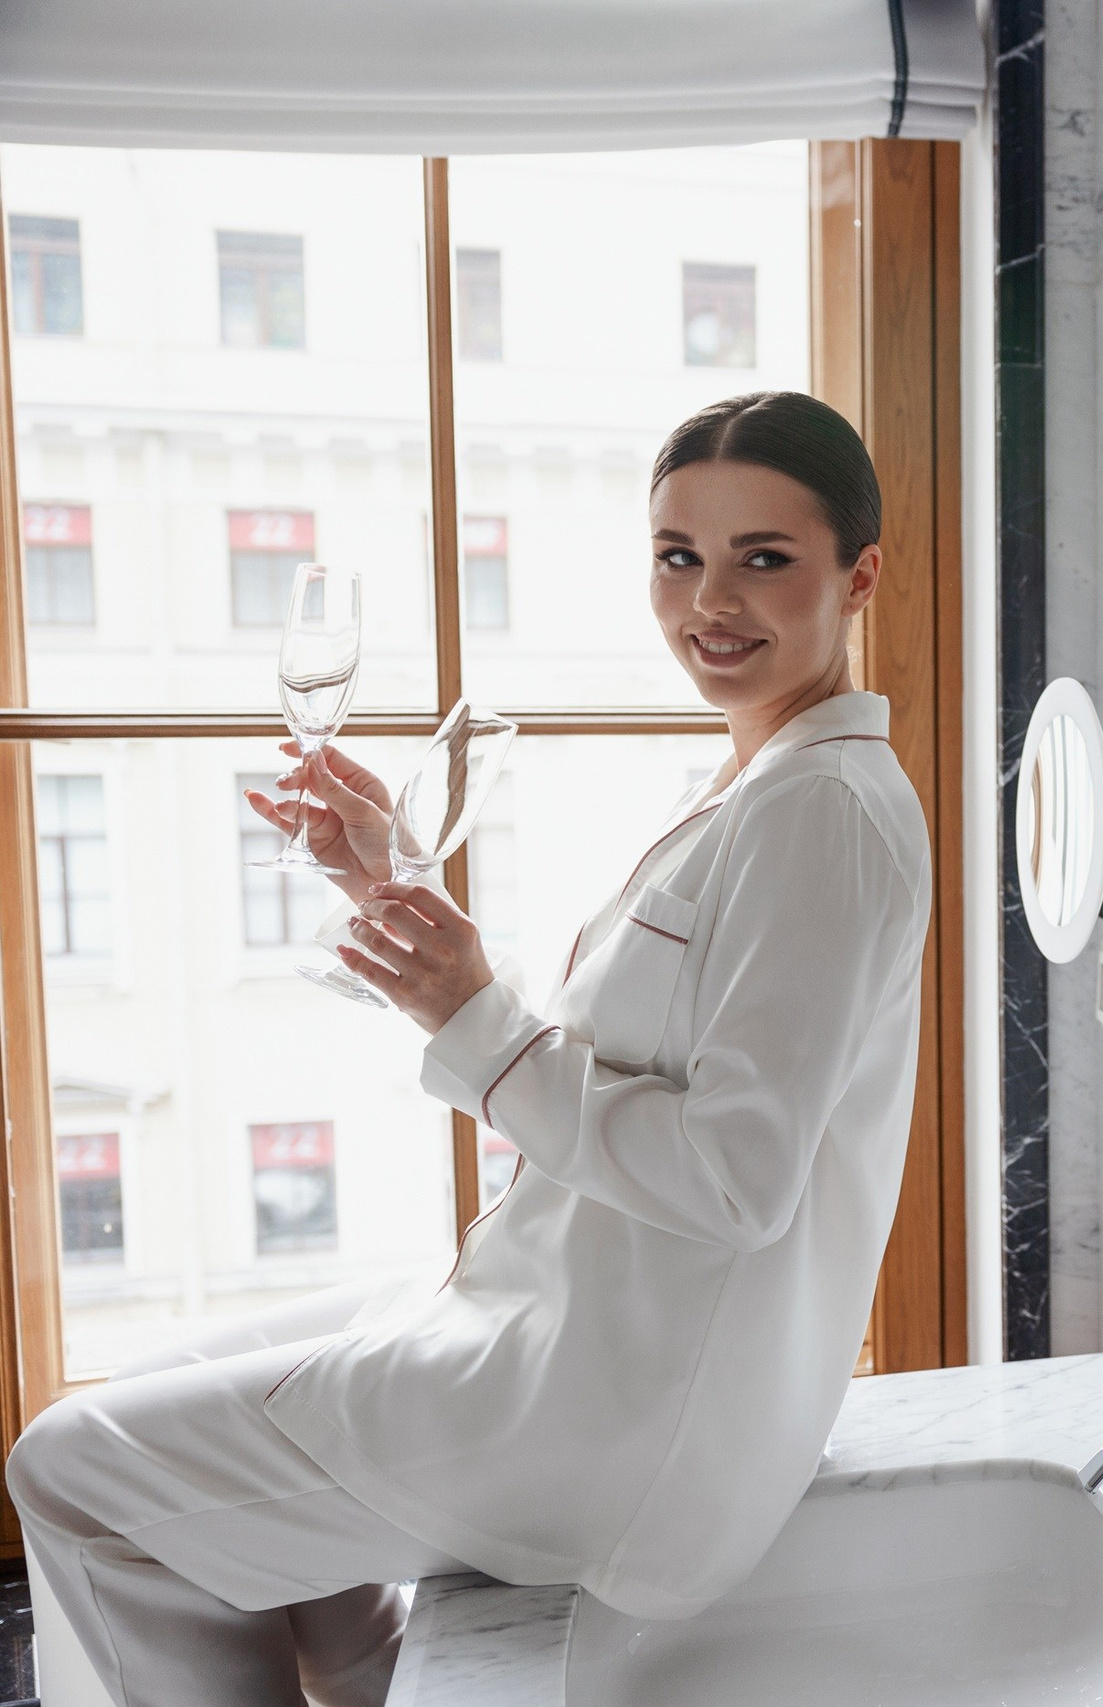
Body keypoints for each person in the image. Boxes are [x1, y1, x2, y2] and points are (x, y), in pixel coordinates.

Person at [6, 390, 933, 1707]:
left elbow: (738, 1179)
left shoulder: (822, 814)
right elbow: (640, 1042)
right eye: (680, 554)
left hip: (612, 1402)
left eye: (763, 557)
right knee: (163, 1394)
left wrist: (472, 1015)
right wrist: (388, 872)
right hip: (559, 1316)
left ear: (861, 574)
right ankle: (366, 1680)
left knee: (68, 1469)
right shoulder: (762, 784)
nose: (711, 598)